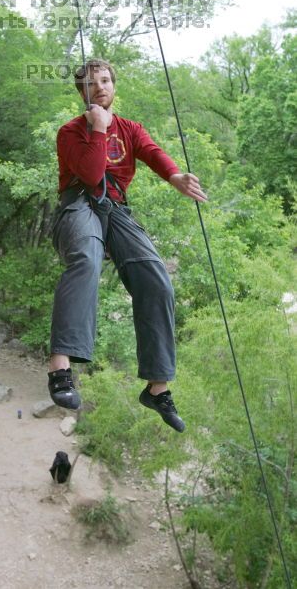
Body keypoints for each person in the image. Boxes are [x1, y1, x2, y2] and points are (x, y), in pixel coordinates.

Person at [47, 59, 208, 432]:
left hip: (115, 207)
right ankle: (60, 366)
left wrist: (175, 176)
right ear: (81, 93)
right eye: (90, 84)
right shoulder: (70, 132)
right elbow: (89, 174)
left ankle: (157, 386)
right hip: (79, 202)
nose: (99, 87)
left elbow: (151, 151)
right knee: (85, 259)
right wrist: (98, 130)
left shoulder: (130, 129)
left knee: (156, 279)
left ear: (114, 86)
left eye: (105, 80)